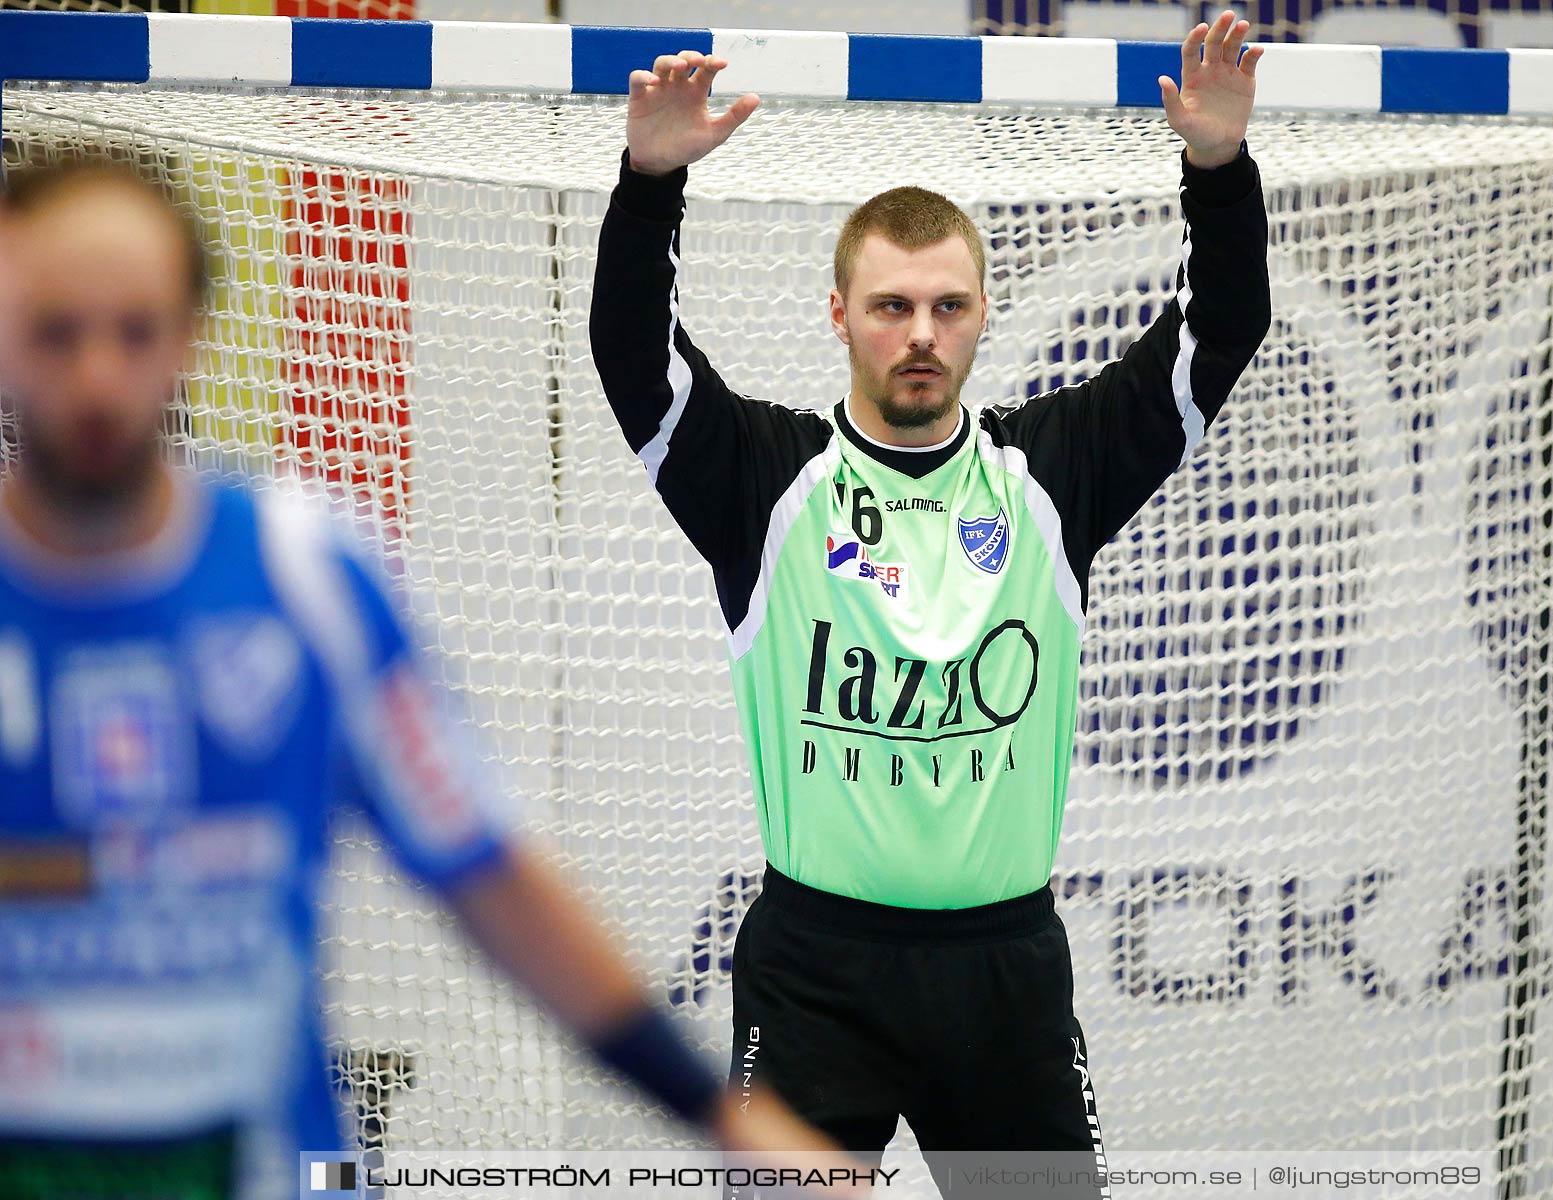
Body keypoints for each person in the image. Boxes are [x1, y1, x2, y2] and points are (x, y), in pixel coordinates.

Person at [0, 159, 847, 1199]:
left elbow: (489, 877)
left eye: (132, 332)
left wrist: (718, 1114)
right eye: (54, 330)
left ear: (189, 336)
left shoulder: (304, 582)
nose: (95, 377)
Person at [590, 12, 1273, 1193]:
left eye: (947, 307)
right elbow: (631, 356)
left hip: (1003, 972)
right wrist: (649, 184)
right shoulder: (768, 480)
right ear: (841, 314)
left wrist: (1216, 168)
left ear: (981, 317)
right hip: (816, 975)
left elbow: (1222, 333)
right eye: (893, 306)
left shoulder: (1053, 469)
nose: (921, 335)